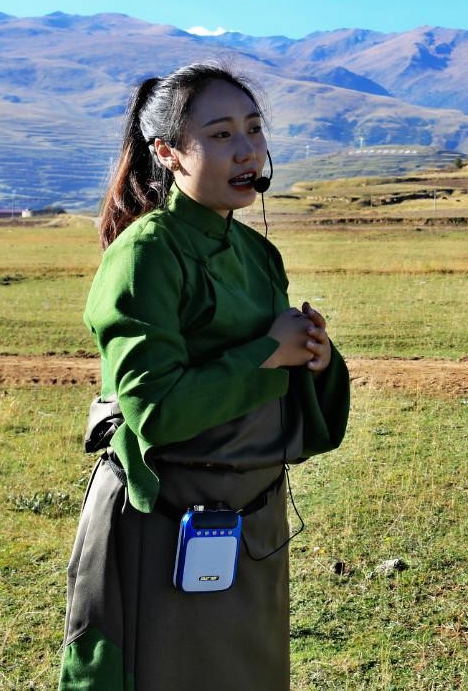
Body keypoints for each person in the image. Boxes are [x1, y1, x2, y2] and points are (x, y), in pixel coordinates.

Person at [59, 63, 350, 690]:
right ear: (167, 152)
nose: (247, 150)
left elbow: (290, 387)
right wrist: (267, 355)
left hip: (253, 523)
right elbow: (156, 411)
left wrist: (315, 357)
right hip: (167, 524)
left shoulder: (258, 254)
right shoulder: (146, 255)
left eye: (253, 129)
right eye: (220, 135)